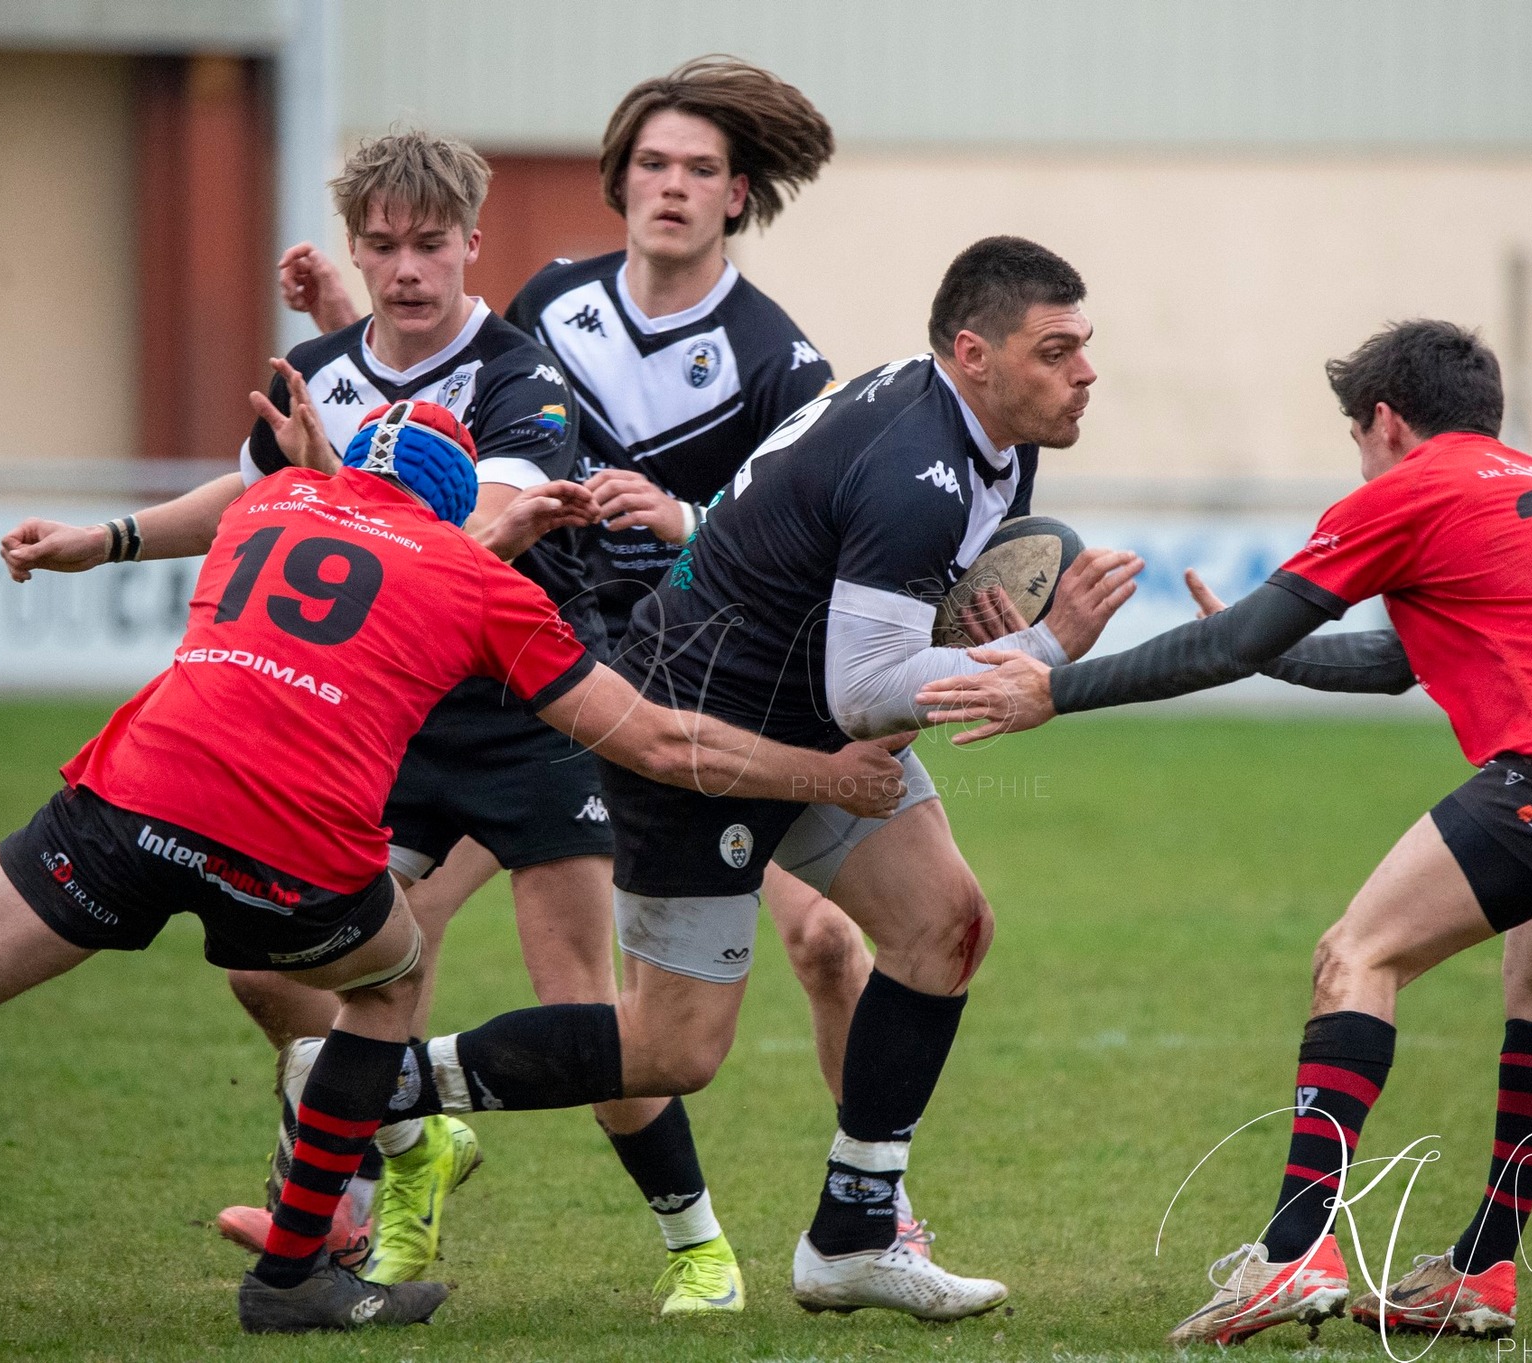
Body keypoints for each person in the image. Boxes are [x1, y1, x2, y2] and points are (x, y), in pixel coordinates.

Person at [0, 402, 906, 1346]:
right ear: (464, 509)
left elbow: (330, 519)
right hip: (290, 850)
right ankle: (297, 1273)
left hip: (126, 801)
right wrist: (831, 773)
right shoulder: (481, 585)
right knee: (393, 982)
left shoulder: (271, 497)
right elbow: (653, 742)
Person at [315, 236, 1141, 1322]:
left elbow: (867, 620)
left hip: (803, 719)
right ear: (974, 354)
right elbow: (866, 689)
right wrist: (1042, 653)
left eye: (1083, 347)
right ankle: (370, 1082)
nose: (1084, 371)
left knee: (944, 922)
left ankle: (852, 1235)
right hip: (700, 735)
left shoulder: (986, 435)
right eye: (1057, 350)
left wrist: (964, 629)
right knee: (673, 1048)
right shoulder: (917, 466)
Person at [914, 319, 1532, 1343]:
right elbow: (1397, 663)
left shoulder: (1405, 487)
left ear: (1382, 421)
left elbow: (1235, 639)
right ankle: (1480, 1270)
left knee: (1354, 955)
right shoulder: (1525, 485)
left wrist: (1056, 689)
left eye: (1355, 438)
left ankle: (1291, 1250)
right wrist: (1270, 655)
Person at [0, 130, 734, 1312]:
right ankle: (408, 1146)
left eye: (429, 246)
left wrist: (331, 479)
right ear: (356, 248)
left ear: (470, 246)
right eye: (382, 247)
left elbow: (468, 546)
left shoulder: (519, 376)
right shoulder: (323, 368)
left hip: (529, 715)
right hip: (382, 726)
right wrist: (106, 538)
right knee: (272, 961)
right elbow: (255, 494)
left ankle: (696, 1245)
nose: (405, 271)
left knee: (577, 1007)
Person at [288, 55, 949, 1265]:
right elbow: (432, 402)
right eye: (652, 163)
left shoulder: (778, 358)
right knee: (380, 936)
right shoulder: (548, 302)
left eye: (700, 169)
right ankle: (359, 1187)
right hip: (546, 678)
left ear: (737, 195)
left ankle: (871, 1198)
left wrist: (686, 521)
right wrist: (345, 317)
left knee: (818, 942)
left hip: (714, 687)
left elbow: (812, 536)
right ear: (619, 178)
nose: (671, 188)